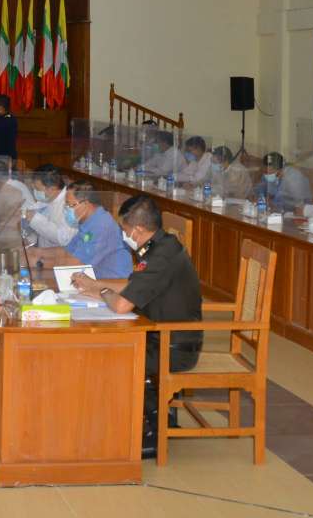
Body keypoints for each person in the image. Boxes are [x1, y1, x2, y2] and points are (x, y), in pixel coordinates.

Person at [72, 194, 203, 455]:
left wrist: (102, 292)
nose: (124, 236)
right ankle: (157, 418)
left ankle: (152, 433)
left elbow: (122, 305)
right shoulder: (160, 245)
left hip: (173, 345)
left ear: (138, 230)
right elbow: (134, 283)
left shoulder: (161, 256)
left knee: (114, 355)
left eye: (125, 230)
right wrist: (95, 284)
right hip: (159, 334)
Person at [61, 183, 133, 279]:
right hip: (92, 279)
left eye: (70, 205)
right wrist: (41, 253)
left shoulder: (101, 224)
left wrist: (43, 262)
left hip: (112, 281)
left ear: (85, 203)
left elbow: (76, 264)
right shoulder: (88, 221)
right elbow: (68, 250)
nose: (67, 209)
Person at [25, 165, 76, 248]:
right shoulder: (48, 198)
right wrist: (29, 241)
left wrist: (35, 219)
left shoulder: (70, 204)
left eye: (37, 189)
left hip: (57, 253)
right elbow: (40, 231)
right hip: (42, 249)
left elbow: (64, 238)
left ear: (52, 189)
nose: (35, 192)